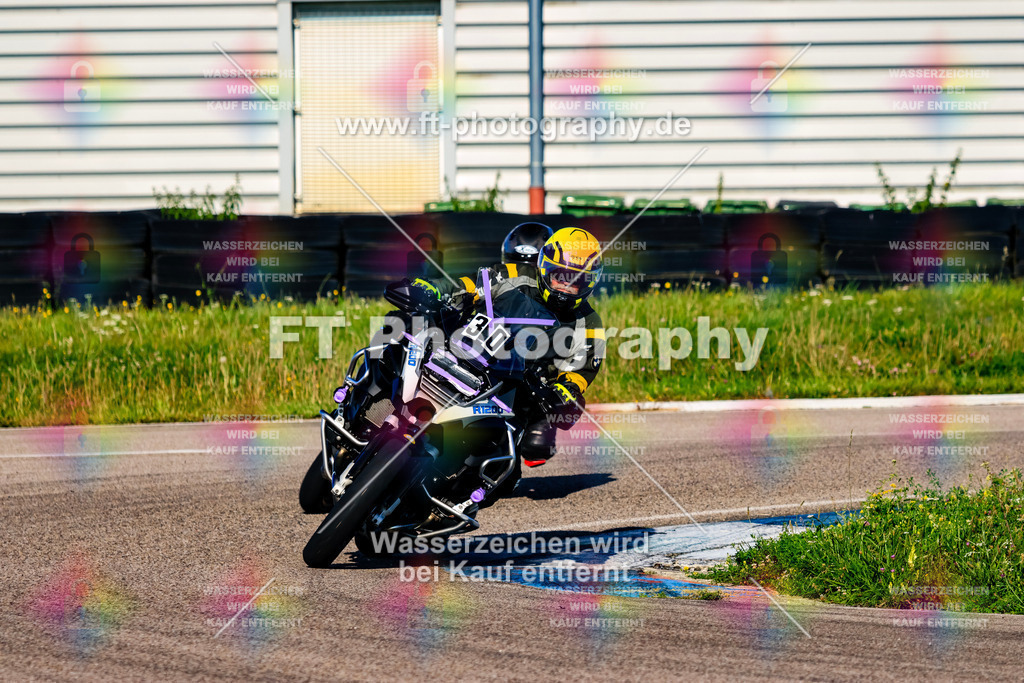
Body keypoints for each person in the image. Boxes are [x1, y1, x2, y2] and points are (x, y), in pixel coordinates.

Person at [409, 224, 606, 469]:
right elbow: (470, 285)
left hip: (517, 388)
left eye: (576, 281)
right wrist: (436, 289)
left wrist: (566, 392)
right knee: (400, 329)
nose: (565, 287)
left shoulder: (590, 322)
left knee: (510, 463)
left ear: (590, 282)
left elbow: (579, 372)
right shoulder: (515, 273)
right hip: (465, 350)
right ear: (545, 267)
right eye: (560, 276)